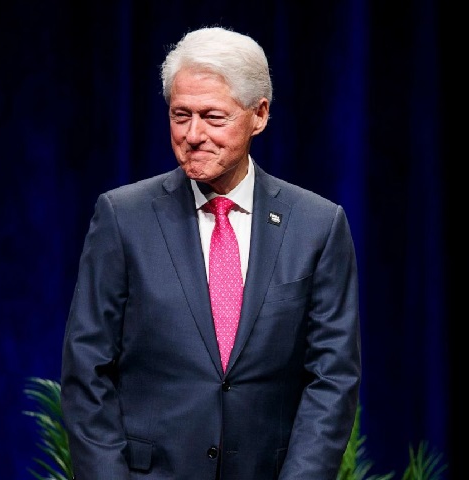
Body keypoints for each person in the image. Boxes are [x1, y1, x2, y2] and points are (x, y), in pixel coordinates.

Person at [60, 26, 361, 479]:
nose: (193, 134)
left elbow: (332, 380)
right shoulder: (123, 218)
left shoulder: (317, 226)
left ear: (258, 115)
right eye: (181, 115)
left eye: (213, 117)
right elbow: (87, 372)